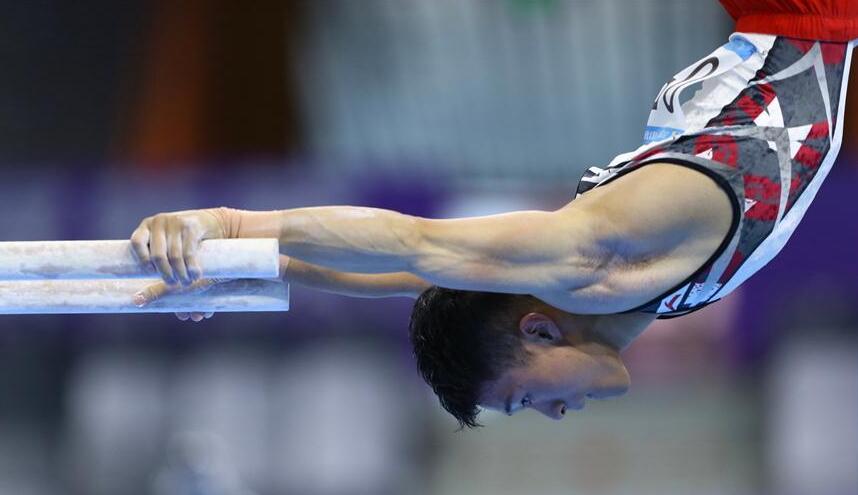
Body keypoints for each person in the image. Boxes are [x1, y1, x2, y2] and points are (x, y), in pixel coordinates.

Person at [131, 0, 858, 428]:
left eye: (523, 398)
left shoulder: (595, 264)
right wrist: (250, 272)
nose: (552, 414)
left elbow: (410, 243)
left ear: (537, 328)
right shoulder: (633, 287)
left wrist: (227, 227)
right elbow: (399, 275)